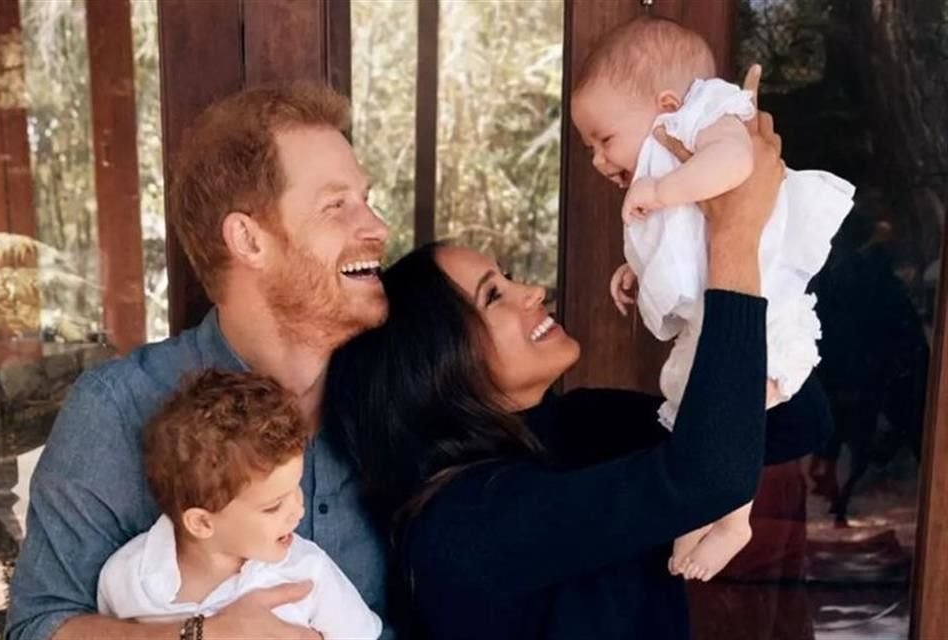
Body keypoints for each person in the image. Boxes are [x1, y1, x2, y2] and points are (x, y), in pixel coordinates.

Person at [324, 76, 833, 639]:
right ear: (434, 365)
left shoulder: (577, 425)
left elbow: (793, 422)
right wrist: (733, 237)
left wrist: (689, 274)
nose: (532, 293)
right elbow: (710, 476)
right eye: (494, 295)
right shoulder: (464, 523)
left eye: (510, 278)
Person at [5, 85, 392, 640]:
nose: (376, 226)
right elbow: (36, 626)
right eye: (338, 205)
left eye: (366, 198)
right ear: (248, 240)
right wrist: (197, 636)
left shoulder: (395, 390)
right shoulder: (116, 410)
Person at [569, 16, 854, 580]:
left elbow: (736, 165)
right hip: (722, 307)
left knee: (732, 408)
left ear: (668, 103)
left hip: (764, 307)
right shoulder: (669, 159)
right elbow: (687, 240)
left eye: (605, 140)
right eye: (589, 149)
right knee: (691, 402)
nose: (600, 160)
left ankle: (733, 518)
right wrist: (636, 268)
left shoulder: (710, 117)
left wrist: (661, 189)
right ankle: (703, 507)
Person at [96, 370, 382, 639]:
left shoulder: (307, 571)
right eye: (273, 507)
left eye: (296, 488)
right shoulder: (128, 577)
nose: (298, 511)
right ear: (202, 522)